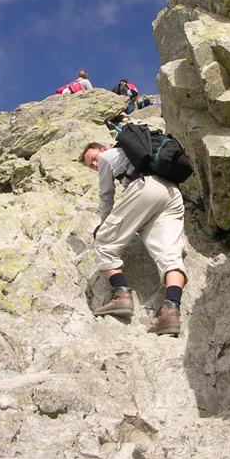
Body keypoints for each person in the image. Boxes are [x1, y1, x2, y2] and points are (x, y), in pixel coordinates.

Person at [79, 140, 188, 336]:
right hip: (173, 194)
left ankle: (121, 294)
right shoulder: (135, 154)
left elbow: (106, 196)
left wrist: (104, 227)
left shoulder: (107, 156)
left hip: (146, 188)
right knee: (169, 254)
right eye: (91, 166)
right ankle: (171, 312)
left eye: (93, 159)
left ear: (103, 148)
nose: (95, 165)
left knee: (104, 242)